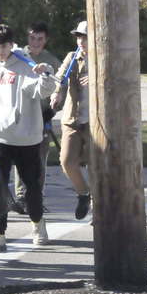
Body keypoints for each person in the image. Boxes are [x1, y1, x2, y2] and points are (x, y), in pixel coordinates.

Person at [0, 24, 56, 251]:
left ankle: (38, 223)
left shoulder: (24, 65)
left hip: (27, 138)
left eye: (4, 47)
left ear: (12, 45)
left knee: (32, 187)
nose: (0, 52)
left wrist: (46, 73)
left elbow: (44, 91)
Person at [11, 22, 63, 210]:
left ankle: (36, 198)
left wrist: (54, 109)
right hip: (19, 114)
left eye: (40, 39)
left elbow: (60, 87)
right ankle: (20, 197)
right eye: (32, 37)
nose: (35, 42)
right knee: (19, 157)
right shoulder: (17, 55)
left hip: (42, 117)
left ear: (46, 40)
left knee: (39, 158)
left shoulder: (51, 61)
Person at [52, 21, 92, 220]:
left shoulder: (102, 58)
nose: (81, 41)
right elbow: (60, 78)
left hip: (95, 122)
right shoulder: (72, 57)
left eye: (85, 37)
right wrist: (57, 93)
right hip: (72, 119)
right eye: (78, 37)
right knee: (67, 161)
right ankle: (84, 194)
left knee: (98, 165)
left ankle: (101, 211)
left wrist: (96, 78)